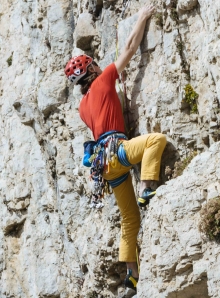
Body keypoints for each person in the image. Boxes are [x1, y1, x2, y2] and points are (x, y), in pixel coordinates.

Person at [64, 4, 167, 292]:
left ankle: (131, 278)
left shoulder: (82, 107)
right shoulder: (105, 79)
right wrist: (143, 17)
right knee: (155, 141)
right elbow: (130, 49)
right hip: (117, 150)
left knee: (129, 219)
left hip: (104, 167)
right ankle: (147, 188)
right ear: (92, 69)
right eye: (94, 62)